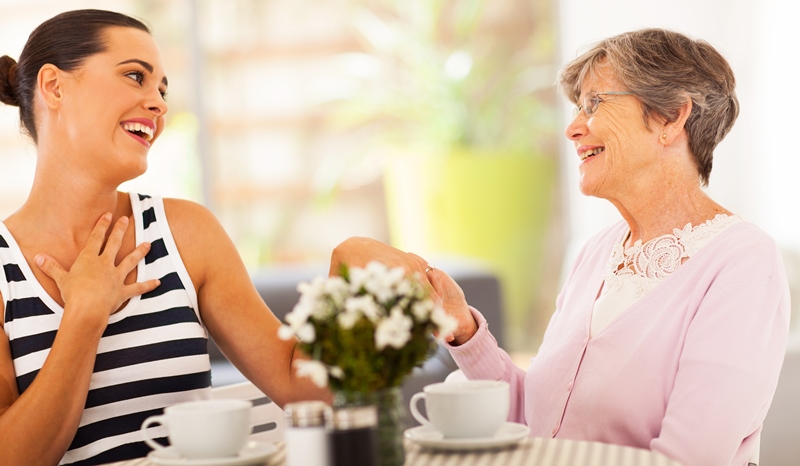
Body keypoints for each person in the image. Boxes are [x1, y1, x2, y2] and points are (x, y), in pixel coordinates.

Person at [330, 28, 790, 466]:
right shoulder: (596, 253)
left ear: (671, 116)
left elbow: (689, 459)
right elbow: (536, 419)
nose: (572, 128)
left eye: (594, 104)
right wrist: (464, 330)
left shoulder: (743, 264)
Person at [0, 9, 328, 466]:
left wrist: (359, 288)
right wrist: (83, 317)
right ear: (55, 87)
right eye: (135, 77)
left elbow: (300, 385)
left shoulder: (187, 234)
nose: (158, 104)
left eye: (162, 89)